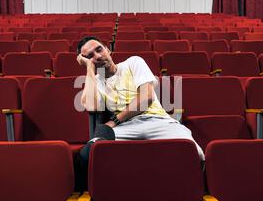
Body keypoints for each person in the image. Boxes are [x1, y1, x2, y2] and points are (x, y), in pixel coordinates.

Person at [76, 36, 205, 162]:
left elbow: (146, 98)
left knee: (195, 153)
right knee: (89, 153)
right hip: (125, 128)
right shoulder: (95, 81)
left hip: (156, 121)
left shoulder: (133, 62)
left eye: (99, 50)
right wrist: (89, 68)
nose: (97, 56)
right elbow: (91, 106)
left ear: (107, 50)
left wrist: (114, 120)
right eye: (90, 56)